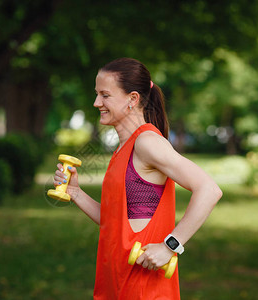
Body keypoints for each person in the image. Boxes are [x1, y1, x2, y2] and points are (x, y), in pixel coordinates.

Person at [53, 57, 222, 299]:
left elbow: (209, 189)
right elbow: (115, 223)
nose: (96, 102)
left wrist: (170, 246)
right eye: (96, 94)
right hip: (117, 282)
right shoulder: (124, 148)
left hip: (144, 289)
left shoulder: (147, 142)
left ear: (132, 99)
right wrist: (76, 193)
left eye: (105, 95)